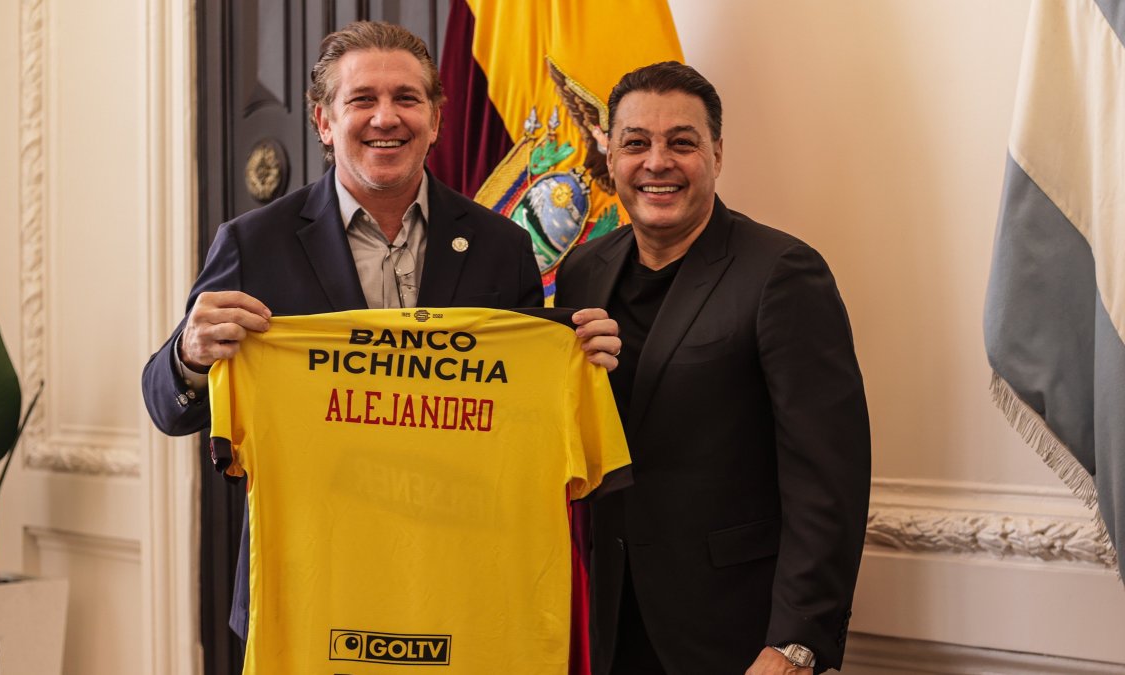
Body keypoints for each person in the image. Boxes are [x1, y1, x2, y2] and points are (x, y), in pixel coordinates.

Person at [142, 20, 620, 640]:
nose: (385, 117)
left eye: (406, 98)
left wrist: (574, 358)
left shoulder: (502, 244)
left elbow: (523, 411)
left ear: (438, 120)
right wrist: (189, 353)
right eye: (362, 99)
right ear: (324, 122)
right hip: (310, 588)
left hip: (466, 586)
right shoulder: (254, 244)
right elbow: (166, 406)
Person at [555, 62, 870, 674]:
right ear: (610, 155)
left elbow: (828, 479)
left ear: (717, 155)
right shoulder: (583, 271)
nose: (657, 162)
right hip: (613, 623)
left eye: (682, 142)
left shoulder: (782, 273)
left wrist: (795, 643)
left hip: (739, 635)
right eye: (636, 143)